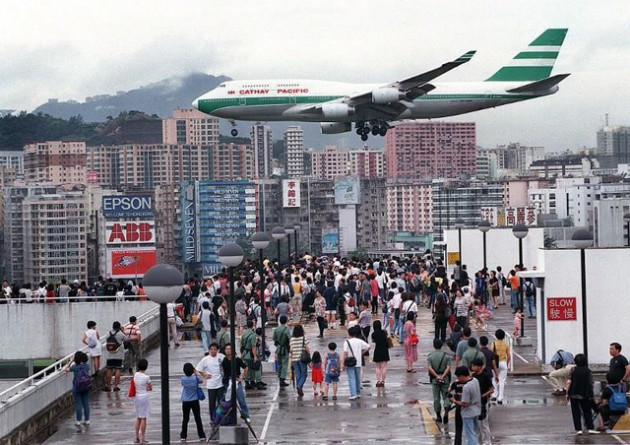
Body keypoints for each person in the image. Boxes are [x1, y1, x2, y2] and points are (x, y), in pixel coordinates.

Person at [566, 353, 597, 435]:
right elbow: (591, 383)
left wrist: (567, 393)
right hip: (585, 393)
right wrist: (591, 393)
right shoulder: (588, 371)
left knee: (575, 412)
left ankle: (578, 429)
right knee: (587, 410)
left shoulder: (573, 370)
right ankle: (590, 427)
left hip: (573, 392)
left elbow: (569, 382)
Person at [449, 366, 481, 445]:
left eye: (458, 377)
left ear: (462, 376)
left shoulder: (467, 387)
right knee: (474, 432)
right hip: (476, 410)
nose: (458, 379)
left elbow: (465, 403)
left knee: (469, 434)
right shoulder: (475, 380)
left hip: (468, 413)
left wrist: (454, 401)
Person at [221, 344, 251, 423]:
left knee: (241, 400)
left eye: (230, 349)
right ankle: (227, 418)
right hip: (227, 382)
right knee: (227, 401)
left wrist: (242, 377)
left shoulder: (237, 359)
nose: (228, 350)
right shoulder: (223, 360)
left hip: (237, 382)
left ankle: (246, 416)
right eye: (226, 349)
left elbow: (246, 367)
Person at [196, 343, 225, 424]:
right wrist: (204, 375)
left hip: (220, 384)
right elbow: (198, 369)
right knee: (212, 404)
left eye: (214, 349)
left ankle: (219, 417)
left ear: (217, 350)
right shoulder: (205, 359)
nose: (213, 351)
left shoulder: (221, 357)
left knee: (220, 403)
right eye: (211, 349)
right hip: (211, 385)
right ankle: (212, 418)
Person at [180, 362, 207, 442]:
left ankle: (183, 435)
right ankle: (201, 435)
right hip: (195, 400)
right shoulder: (195, 378)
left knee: (185, 418)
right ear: (192, 370)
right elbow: (201, 381)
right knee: (197, 418)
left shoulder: (183, 379)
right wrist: (196, 373)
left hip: (185, 401)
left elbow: (182, 384)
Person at [64, 351, 91, 427]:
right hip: (86, 387)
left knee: (78, 404)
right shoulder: (87, 366)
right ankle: (87, 420)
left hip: (77, 387)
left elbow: (65, 369)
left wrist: (71, 361)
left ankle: (78, 421)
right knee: (86, 403)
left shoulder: (74, 367)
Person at [342, 325, 370, 400]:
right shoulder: (359, 341)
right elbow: (368, 347)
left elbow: (345, 353)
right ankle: (358, 393)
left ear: (349, 334)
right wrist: (362, 353)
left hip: (350, 362)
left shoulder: (347, 342)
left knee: (351, 378)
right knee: (357, 378)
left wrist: (343, 364)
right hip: (358, 361)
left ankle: (353, 394)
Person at [428, 339, 451, 424]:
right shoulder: (446, 356)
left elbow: (429, 368)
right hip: (445, 379)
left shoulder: (430, 356)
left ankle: (438, 416)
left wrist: (437, 376)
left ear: (434, 345)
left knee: (436, 398)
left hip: (435, 379)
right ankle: (447, 409)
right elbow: (448, 368)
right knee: (446, 396)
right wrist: (443, 376)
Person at [471, 358, 494, 445]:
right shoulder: (472, 376)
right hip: (474, 403)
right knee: (476, 423)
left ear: (480, 367)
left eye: (474, 366)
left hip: (483, 402)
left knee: (484, 423)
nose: (472, 367)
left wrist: (482, 396)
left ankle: (487, 442)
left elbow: (491, 390)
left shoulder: (485, 376)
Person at [132, 358, 152, 444]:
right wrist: (146, 387)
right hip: (144, 397)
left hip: (137, 397)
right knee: (144, 418)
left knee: (138, 417)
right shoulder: (146, 377)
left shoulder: (135, 375)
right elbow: (150, 388)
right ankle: (142, 437)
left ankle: (136, 436)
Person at [104, 321, 128, 392]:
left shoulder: (108, 333)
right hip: (119, 355)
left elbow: (106, 341)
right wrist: (123, 331)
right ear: (119, 327)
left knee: (109, 369)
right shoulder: (120, 334)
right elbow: (126, 340)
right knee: (118, 369)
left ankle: (108, 386)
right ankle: (116, 386)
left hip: (109, 354)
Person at [241, 320, 263, 390]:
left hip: (245, 353)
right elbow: (253, 346)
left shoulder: (244, 334)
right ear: (253, 325)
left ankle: (247, 383)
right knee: (255, 368)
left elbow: (242, 344)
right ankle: (256, 381)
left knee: (248, 368)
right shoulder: (253, 335)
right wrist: (255, 356)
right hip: (250, 353)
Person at [289, 324, 310, 397]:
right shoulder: (303, 338)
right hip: (302, 359)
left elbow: (291, 350)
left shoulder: (291, 339)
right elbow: (307, 348)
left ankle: (299, 387)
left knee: (298, 374)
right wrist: (309, 358)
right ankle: (299, 386)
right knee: (304, 374)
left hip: (294, 359)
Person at [491, 329, 510, 404]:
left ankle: (495, 394)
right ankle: (500, 397)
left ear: (496, 336)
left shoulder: (493, 344)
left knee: (494, 379)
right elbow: (508, 356)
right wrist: (506, 364)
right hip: (503, 362)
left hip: (495, 363)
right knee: (502, 381)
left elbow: (491, 355)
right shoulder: (506, 344)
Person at [272, 315, 291, 387]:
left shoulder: (276, 329)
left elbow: (274, 339)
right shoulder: (287, 329)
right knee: (284, 364)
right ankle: (282, 379)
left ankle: (279, 377)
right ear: (286, 321)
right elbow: (290, 339)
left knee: (279, 363)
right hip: (285, 348)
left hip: (278, 348)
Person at [371, 320, 390, 387]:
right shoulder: (384, 332)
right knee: (384, 367)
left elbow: (373, 341)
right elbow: (388, 339)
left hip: (377, 350)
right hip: (385, 350)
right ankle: (383, 381)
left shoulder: (373, 334)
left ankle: (378, 381)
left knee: (377, 367)